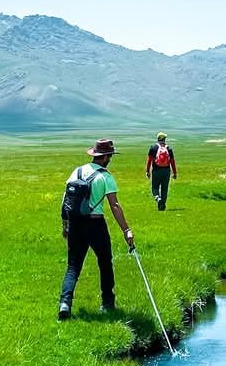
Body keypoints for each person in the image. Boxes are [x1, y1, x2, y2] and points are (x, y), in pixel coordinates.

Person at [58, 139, 134, 320]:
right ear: (106, 156)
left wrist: (65, 225)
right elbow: (115, 205)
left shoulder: (77, 171)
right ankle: (108, 303)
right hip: (96, 224)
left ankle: (65, 303)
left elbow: (66, 201)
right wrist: (126, 230)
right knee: (105, 262)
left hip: (75, 223)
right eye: (110, 156)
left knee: (73, 266)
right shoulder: (106, 177)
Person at [145, 131, 178, 211]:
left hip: (156, 171)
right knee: (164, 189)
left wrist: (147, 171)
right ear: (164, 139)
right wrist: (174, 172)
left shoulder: (153, 147)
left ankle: (158, 198)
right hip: (166, 171)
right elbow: (172, 162)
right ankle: (162, 206)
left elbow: (149, 160)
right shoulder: (169, 148)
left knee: (155, 188)